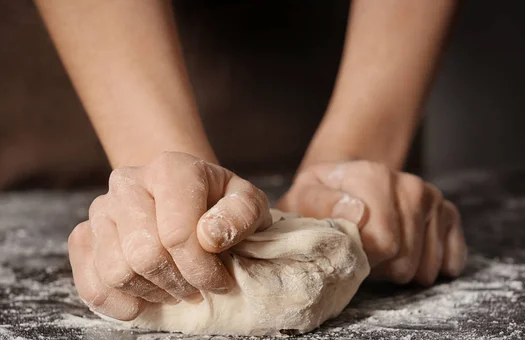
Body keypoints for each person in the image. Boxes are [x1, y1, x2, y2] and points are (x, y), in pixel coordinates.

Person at [34, 0, 467, 321]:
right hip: (80, 90)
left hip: (329, 65)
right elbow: (166, 215)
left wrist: (352, 166)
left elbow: (353, 189)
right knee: (157, 231)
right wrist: (163, 191)